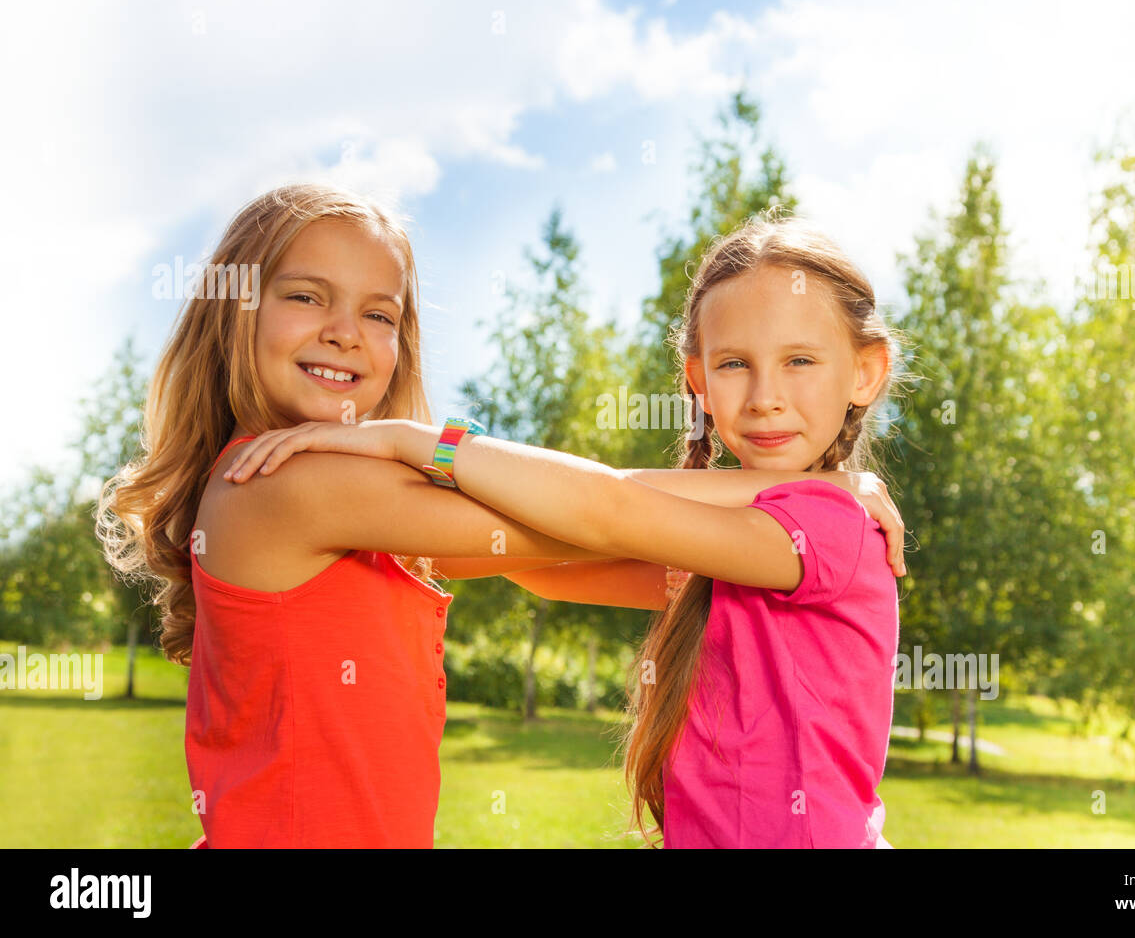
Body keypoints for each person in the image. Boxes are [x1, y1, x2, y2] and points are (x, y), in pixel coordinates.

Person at [98, 185, 906, 847]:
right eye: (306, 297)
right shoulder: (282, 484)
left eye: (380, 314)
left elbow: (573, 544)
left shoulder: (363, 513)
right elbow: (591, 519)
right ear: (236, 313)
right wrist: (823, 491)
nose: (345, 333)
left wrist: (810, 503)